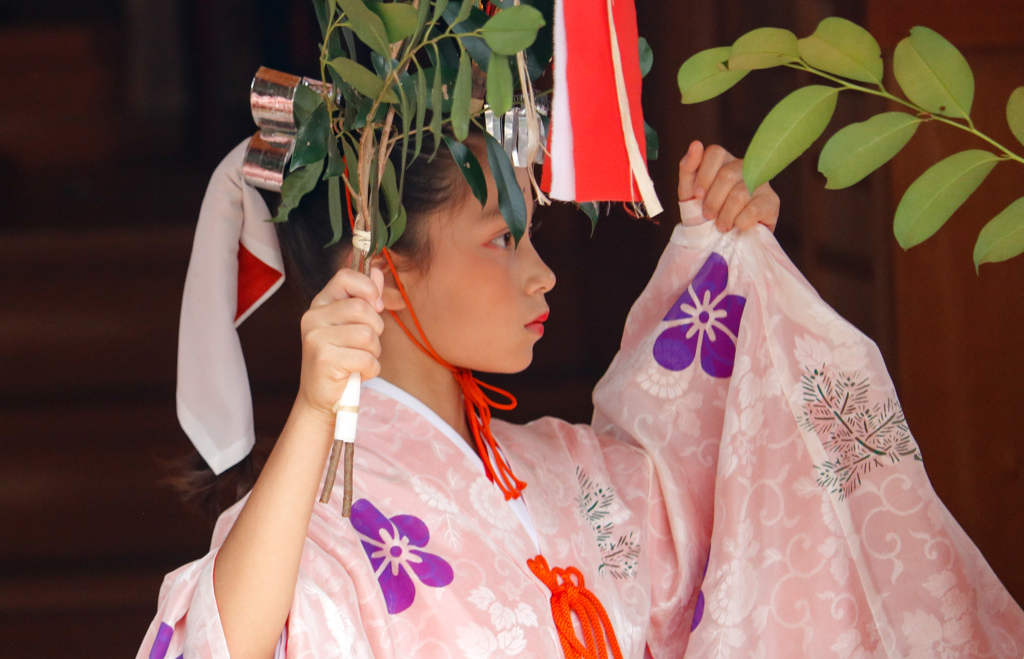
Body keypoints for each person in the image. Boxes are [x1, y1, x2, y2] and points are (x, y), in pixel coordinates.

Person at [139, 134, 1024, 659]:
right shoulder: (315, 531)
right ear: (382, 274)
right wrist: (313, 413)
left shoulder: (562, 468)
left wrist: (725, 256)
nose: (542, 272)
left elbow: (724, 500)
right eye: (501, 241)